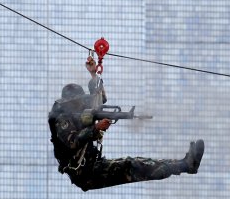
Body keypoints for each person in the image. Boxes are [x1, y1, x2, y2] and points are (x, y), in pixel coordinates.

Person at [49, 56, 204, 191]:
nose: (80, 105)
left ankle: (185, 165)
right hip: (84, 174)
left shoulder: (83, 113)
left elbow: (99, 99)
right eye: (76, 102)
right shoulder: (62, 119)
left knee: (136, 165)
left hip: (94, 166)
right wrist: (96, 128)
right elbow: (72, 142)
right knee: (133, 166)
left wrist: (93, 74)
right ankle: (185, 165)